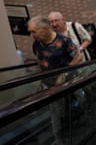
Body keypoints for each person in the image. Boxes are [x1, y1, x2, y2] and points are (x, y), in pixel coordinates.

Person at [28, 15, 82, 144]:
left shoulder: (64, 41)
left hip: (65, 82)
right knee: (56, 112)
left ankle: (70, 128)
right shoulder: (37, 43)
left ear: (45, 28)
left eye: (33, 31)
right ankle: (59, 139)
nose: (31, 35)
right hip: (49, 85)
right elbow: (39, 60)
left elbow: (77, 57)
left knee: (63, 108)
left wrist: (66, 72)